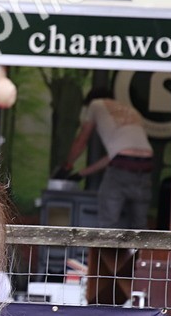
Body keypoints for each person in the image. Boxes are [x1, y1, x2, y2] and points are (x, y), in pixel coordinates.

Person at [63, 86, 154, 230]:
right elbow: (116, 156)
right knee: (140, 226)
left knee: (108, 225)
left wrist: (68, 165)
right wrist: (81, 174)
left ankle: (107, 245)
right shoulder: (131, 110)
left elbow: (81, 141)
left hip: (121, 167)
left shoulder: (95, 104)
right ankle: (141, 245)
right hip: (146, 167)